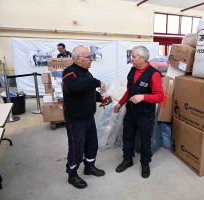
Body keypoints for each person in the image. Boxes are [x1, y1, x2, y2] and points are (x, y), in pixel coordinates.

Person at [113, 46, 164, 178]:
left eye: (134, 56)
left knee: (145, 140)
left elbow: (159, 97)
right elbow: (129, 91)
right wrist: (120, 103)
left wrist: (143, 97)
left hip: (145, 114)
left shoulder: (154, 74)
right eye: (132, 56)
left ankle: (145, 163)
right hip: (131, 111)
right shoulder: (132, 71)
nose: (131, 59)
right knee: (127, 136)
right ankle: (127, 159)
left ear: (143, 58)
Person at [62, 45, 107, 189]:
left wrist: (102, 99)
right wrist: (97, 82)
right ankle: (72, 174)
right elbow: (75, 87)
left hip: (88, 117)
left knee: (91, 144)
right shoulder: (69, 73)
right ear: (78, 58)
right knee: (77, 147)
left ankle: (89, 166)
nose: (91, 60)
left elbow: (89, 91)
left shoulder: (86, 73)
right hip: (76, 120)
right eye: (88, 57)